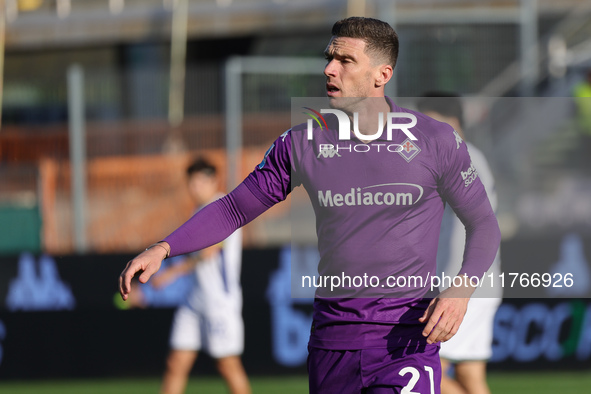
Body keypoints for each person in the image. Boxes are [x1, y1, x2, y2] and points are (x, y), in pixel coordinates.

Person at [120, 17, 501, 393]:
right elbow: (235, 209)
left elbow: (483, 223)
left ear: (381, 75)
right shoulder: (302, 143)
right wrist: (165, 247)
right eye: (329, 57)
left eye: (345, 60)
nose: (329, 69)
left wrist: (461, 290)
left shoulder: (436, 140)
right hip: (332, 344)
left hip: (406, 341)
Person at [417, 93, 502, 394]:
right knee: (470, 376)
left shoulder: (458, 155)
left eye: (427, 121)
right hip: (480, 283)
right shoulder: (471, 155)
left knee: (422, 370)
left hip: (459, 285)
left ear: (449, 121)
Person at [154, 158, 250, 394]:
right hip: (195, 298)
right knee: (175, 363)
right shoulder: (197, 210)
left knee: (228, 365)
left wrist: (170, 274)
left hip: (219, 300)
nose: (193, 188)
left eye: (197, 182)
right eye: (190, 183)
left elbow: (208, 252)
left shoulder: (223, 207)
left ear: (212, 180)